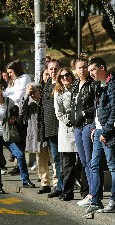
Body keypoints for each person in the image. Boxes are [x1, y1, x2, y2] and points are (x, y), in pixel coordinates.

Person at [82, 57, 115, 217]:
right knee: (94, 165)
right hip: (99, 131)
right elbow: (97, 110)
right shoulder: (98, 86)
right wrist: (95, 128)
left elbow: (114, 111)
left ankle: (113, 200)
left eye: (93, 70)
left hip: (108, 133)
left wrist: (106, 132)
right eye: (90, 72)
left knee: (112, 166)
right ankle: (95, 201)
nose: (91, 74)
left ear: (102, 67)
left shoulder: (112, 84)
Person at [69, 56, 95, 207]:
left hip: (87, 124)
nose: (83, 70)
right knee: (84, 161)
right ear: (76, 69)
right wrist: (70, 115)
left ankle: (92, 193)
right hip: (76, 126)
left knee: (90, 160)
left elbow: (95, 105)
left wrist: (84, 113)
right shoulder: (76, 84)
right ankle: (91, 193)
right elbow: (73, 103)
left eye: (85, 67)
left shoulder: (92, 84)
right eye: (80, 67)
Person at [38, 59, 62, 198]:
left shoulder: (63, 84)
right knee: (56, 159)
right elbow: (43, 107)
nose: (53, 72)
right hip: (50, 128)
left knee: (64, 159)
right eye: (50, 69)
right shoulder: (47, 84)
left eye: (55, 69)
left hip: (62, 127)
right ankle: (59, 186)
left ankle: (64, 186)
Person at [54, 67, 78, 201]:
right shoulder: (59, 92)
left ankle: (86, 192)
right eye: (62, 77)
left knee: (81, 163)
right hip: (67, 130)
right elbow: (59, 113)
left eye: (67, 75)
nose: (65, 78)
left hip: (79, 129)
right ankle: (68, 192)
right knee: (67, 165)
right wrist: (70, 120)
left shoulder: (77, 88)